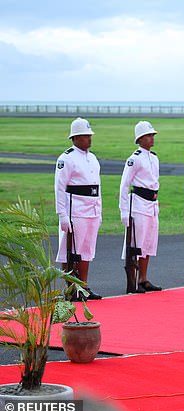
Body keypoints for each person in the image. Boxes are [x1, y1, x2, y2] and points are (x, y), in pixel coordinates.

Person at [55, 117, 102, 300]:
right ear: (75, 138)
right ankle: (71, 288)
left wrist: (99, 210)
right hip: (75, 210)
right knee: (70, 251)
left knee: (86, 250)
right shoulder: (66, 158)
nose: (89, 139)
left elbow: (97, 187)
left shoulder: (92, 158)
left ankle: (84, 286)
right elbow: (59, 188)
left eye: (90, 136)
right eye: (85, 136)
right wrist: (62, 216)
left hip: (91, 209)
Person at [119, 121, 163, 293]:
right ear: (140, 138)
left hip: (152, 204)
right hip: (137, 203)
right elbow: (124, 185)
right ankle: (133, 280)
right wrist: (124, 210)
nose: (152, 138)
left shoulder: (154, 158)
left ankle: (143, 279)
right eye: (149, 135)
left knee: (148, 243)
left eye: (152, 135)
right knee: (136, 244)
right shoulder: (134, 159)